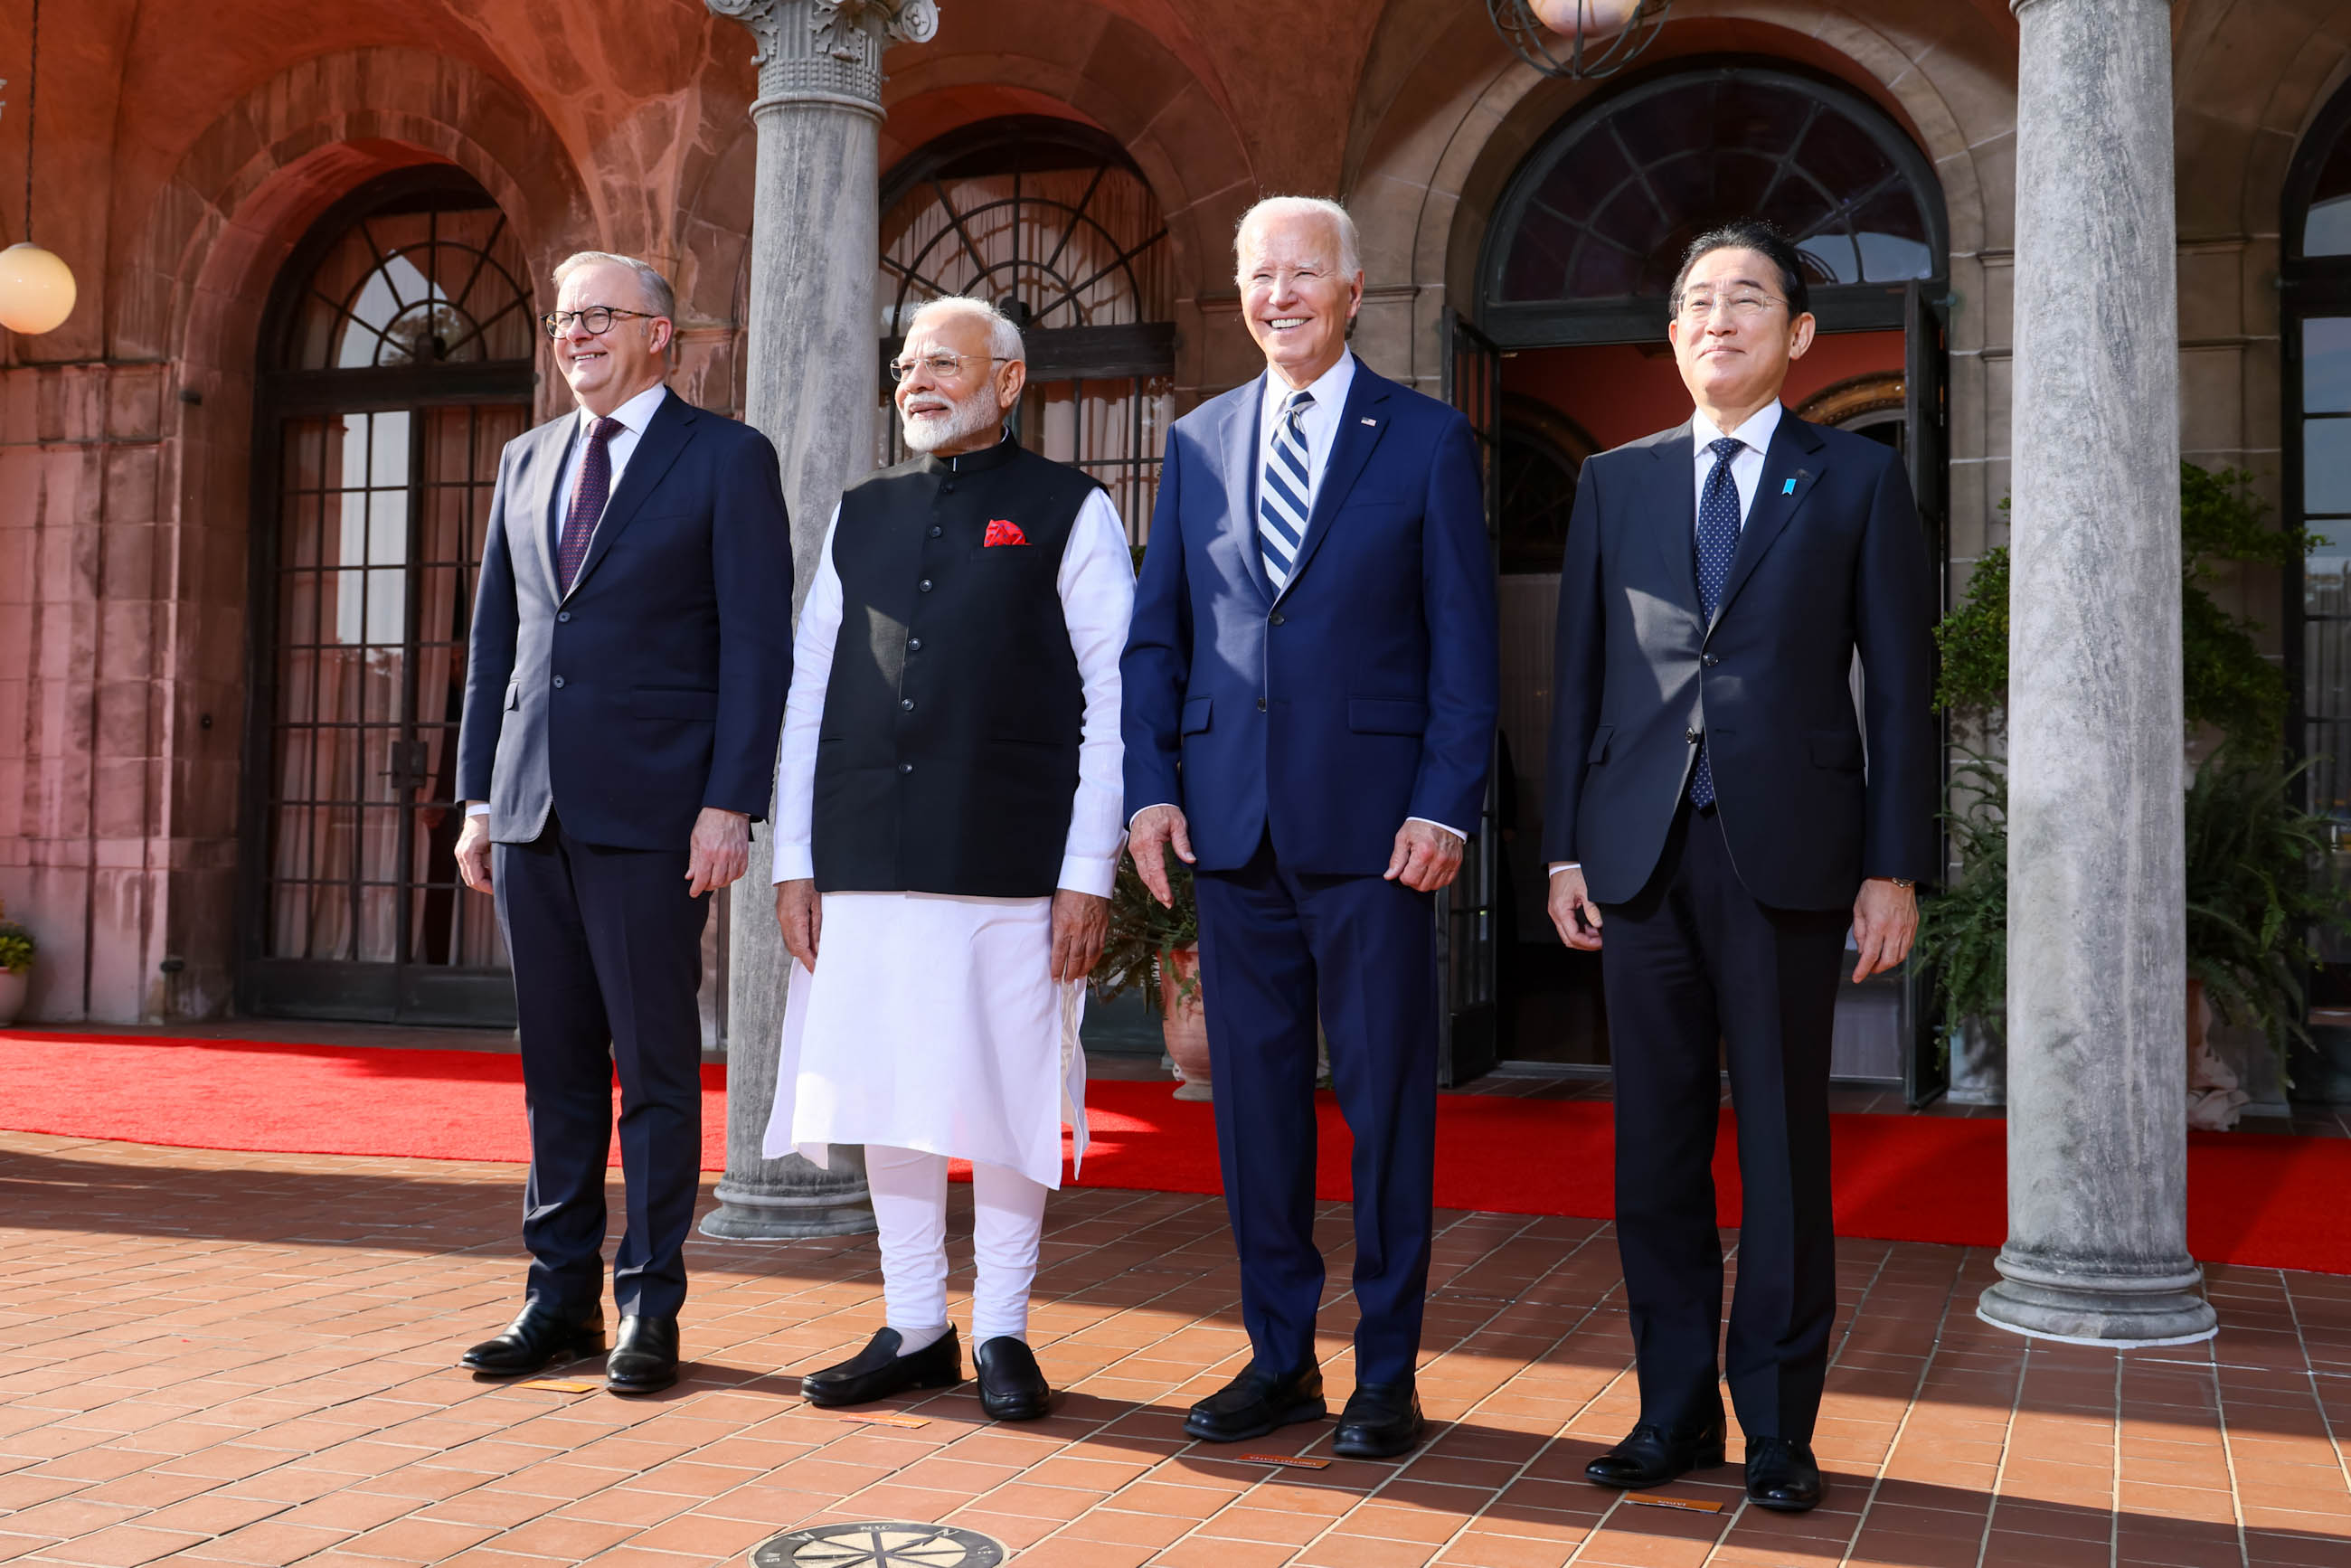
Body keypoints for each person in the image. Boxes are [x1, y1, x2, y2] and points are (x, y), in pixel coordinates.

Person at [1544, 219, 1936, 1511]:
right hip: (1640, 855)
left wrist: (1894, 865)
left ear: (1799, 335)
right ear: (1671, 334)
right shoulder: (1615, 480)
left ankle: (1777, 1425)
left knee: (1780, 1146)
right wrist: (1563, 846)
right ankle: (1671, 1412)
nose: (1720, 319)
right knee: (1652, 1151)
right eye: (1697, 301)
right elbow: (1583, 683)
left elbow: (1903, 684)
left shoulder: (1855, 479)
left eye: (1749, 299)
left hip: (1792, 857)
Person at [1122, 196, 1499, 1459]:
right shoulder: (1199, 440)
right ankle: (1278, 1355)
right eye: (1257, 276)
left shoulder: (1429, 440)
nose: (1277, 294)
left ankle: (1385, 1369)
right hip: (1232, 831)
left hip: (1380, 834)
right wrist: (1152, 783)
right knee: (1256, 1111)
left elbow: (1464, 643)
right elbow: (1160, 636)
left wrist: (1446, 799)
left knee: (1390, 1106)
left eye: (1301, 274)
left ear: (1351, 290)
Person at [767, 295, 1132, 1421]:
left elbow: (1113, 695)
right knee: (888, 1091)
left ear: (1009, 381)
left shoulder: (1071, 509)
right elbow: (811, 689)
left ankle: (1007, 1331)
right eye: (907, 365)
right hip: (865, 853)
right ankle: (915, 1321)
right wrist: (793, 855)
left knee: (1009, 1096)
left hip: (1013, 859)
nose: (917, 382)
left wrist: (1087, 870)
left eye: (944, 363)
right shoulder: (858, 512)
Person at [452, 251, 792, 1396]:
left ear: (662, 333)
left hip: (657, 814)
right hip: (531, 808)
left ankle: (650, 1305)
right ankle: (556, 1300)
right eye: (561, 319)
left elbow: (757, 645)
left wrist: (731, 801)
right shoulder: (524, 459)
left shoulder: (727, 459)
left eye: (598, 316)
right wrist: (480, 798)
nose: (575, 335)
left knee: (651, 1069)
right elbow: (495, 644)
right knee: (553, 1066)